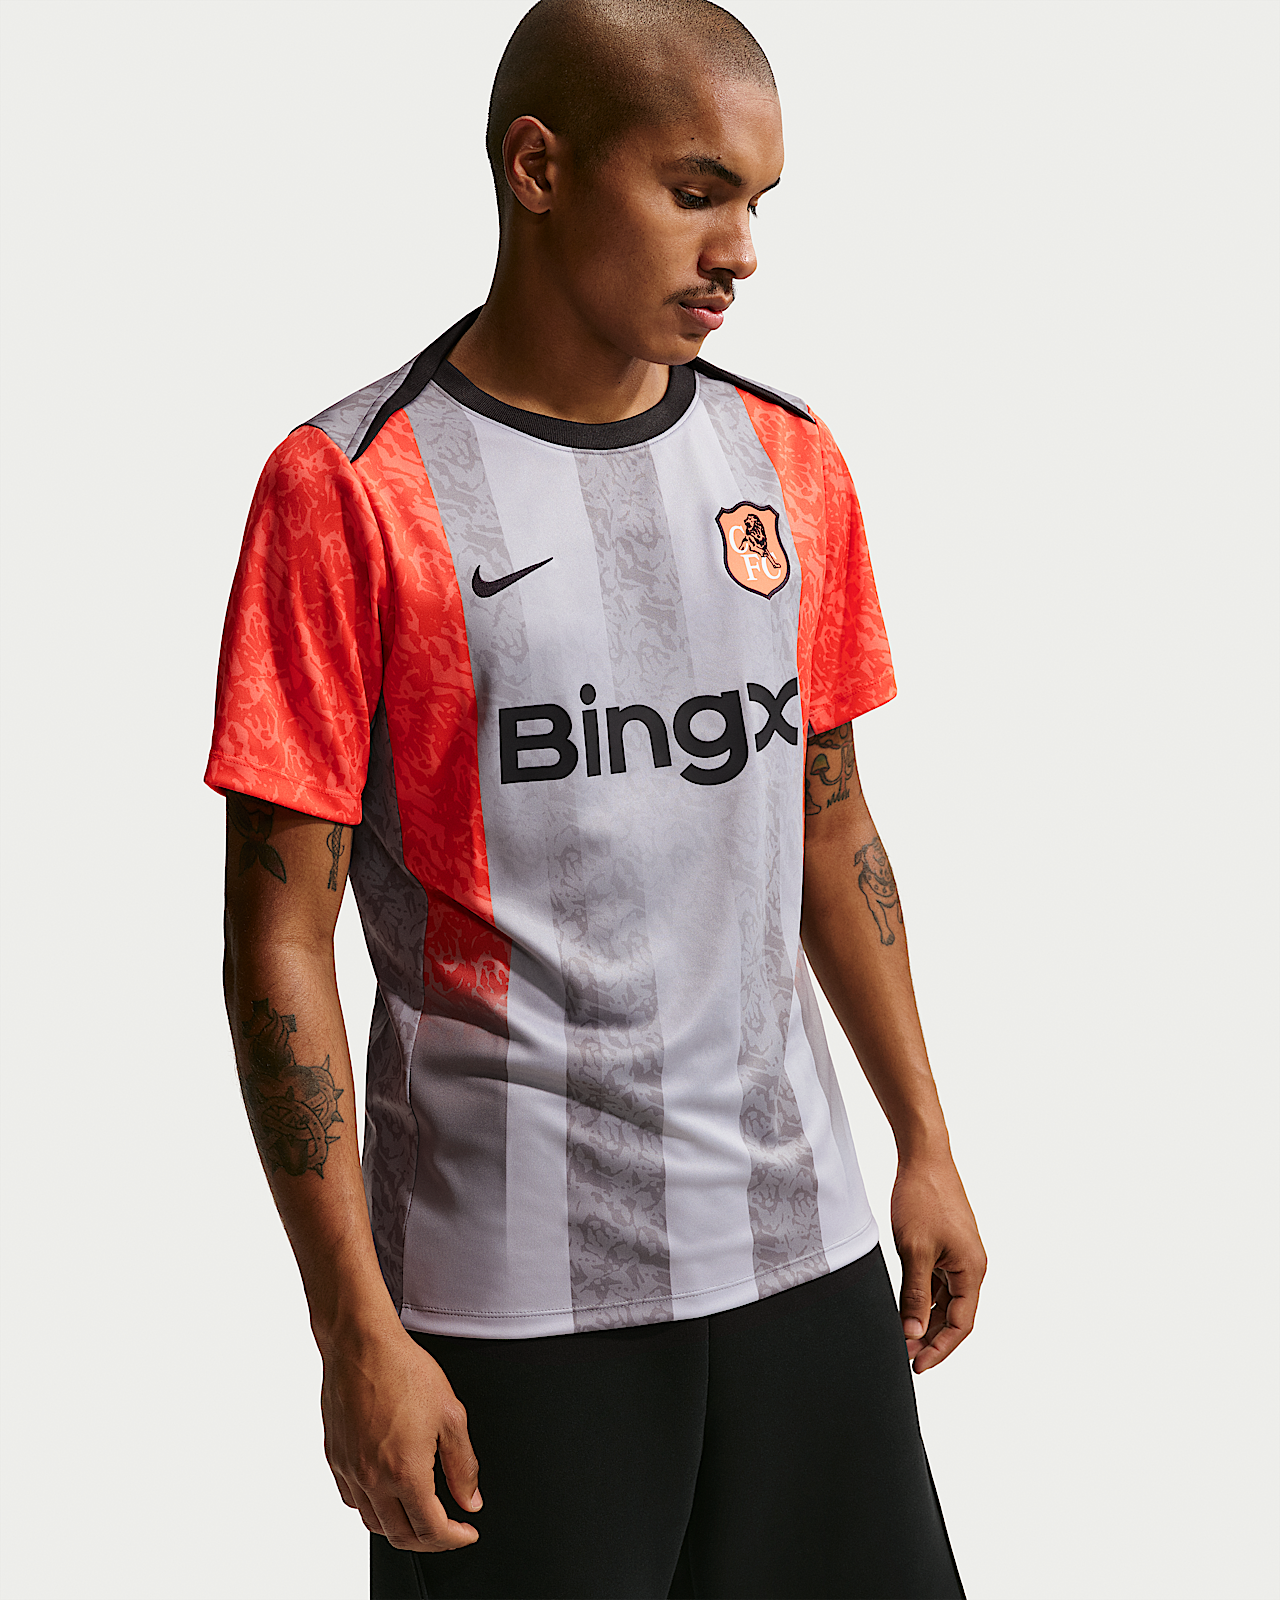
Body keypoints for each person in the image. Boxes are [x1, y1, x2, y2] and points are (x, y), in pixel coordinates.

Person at [205, 2, 987, 1595]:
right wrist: (353, 1329)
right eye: (697, 190)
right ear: (539, 167)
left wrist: (925, 1140)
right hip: (512, 1312)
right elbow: (278, 938)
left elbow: (830, 824)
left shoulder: (788, 463)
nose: (741, 249)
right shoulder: (349, 490)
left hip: (803, 1254)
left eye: (758, 201)